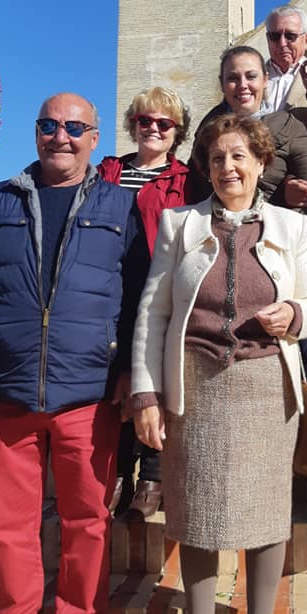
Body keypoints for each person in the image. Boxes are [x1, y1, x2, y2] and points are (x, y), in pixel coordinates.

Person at [0, 94, 149, 614]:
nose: (61, 135)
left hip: (89, 392)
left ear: (94, 138)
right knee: (9, 527)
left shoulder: (120, 206)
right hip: (5, 389)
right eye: (49, 125)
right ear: (35, 133)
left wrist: (130, 372)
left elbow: (141, 297)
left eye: (74, 127)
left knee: (87, 523)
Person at [131, 115, 307, 614]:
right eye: (217, 158)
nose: (228, 168)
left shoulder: (292, 225)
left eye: (240, 156)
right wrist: (145, 394)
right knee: (197, 516)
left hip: (267, 387)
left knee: (267, 516)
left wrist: (295, 315)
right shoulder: (180, 224)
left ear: (261, 162)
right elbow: (153, 313)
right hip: (195, 388)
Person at [193, 45, 307, 384]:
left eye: (250, 76)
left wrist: (291, 196)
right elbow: (199, 189)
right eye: (232, 78)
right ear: (222, 84)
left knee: (300, 356)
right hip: (221, 249)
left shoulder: (290, 127)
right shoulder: (209, 130)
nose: (243, 85)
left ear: (265, 79)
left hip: (278, 253)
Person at [99, 87, 192, 520]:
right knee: (115, 378)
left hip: (161, 291)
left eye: (163, 123)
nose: (153, 128)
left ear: (176, 131)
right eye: (145, 121)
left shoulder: (186, 179)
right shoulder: (108, 171)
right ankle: (118, 470)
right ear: (133, 125)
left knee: (155, 377)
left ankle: (153, 473)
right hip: (110, 290)